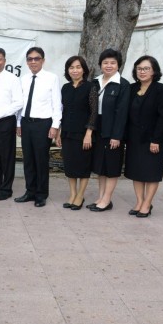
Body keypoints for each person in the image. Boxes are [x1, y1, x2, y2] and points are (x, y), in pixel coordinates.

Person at [124, 55, 163, 218]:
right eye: (139, 68)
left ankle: (147, 203)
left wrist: (156, 139)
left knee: (151, 172)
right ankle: (139, 201)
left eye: (146, 68)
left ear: (154, 71)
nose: (142, 71)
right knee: (136, 171)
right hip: (134, 138)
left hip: (153, 139)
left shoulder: (162, 90)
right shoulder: (131, 88)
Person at [14, 47, 62, 208]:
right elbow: (21, 104)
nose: (33, 61)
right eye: (30, 59)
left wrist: (55, 126)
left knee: (41, 160)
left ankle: (41, 194)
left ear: (43, 60)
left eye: (37, 58)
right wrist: (19, 123)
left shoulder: (51, 78)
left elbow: (57, 104)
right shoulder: (23, 79)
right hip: (26, 122)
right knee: (28, 160)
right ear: (27, 61)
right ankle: (30, 191)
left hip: (43, 124)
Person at [87, 48, 130, 212]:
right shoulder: (95, 82)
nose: (109, 65)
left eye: (113, 63)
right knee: (100, 166)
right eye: (105, 62)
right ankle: (101, 197)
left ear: (118, 65)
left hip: (113, 131)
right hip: (98, 129)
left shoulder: (123, 85)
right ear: (100, 65)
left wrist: (117, 136)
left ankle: (107, 199)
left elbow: (122, 113)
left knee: (111, 167)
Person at [55, 56, 97, 211]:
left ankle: (80, 195)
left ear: (84, 69)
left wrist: (88, 134)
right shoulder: (65, 88)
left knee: (83, 166)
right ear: (68, 70)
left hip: (83, 133)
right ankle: (72, 194)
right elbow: (62, 111)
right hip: (67, 132)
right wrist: (59, 132)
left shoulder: (90, 87)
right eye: (71, 67)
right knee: (70, 165)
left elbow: (93, 112)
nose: (75, 70)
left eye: (78, 67)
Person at [0, 47, 24, 201]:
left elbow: (18, 103)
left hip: (5, 122)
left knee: (6, 158)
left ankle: (6, 190)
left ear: (5, 61)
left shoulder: (12, 79)